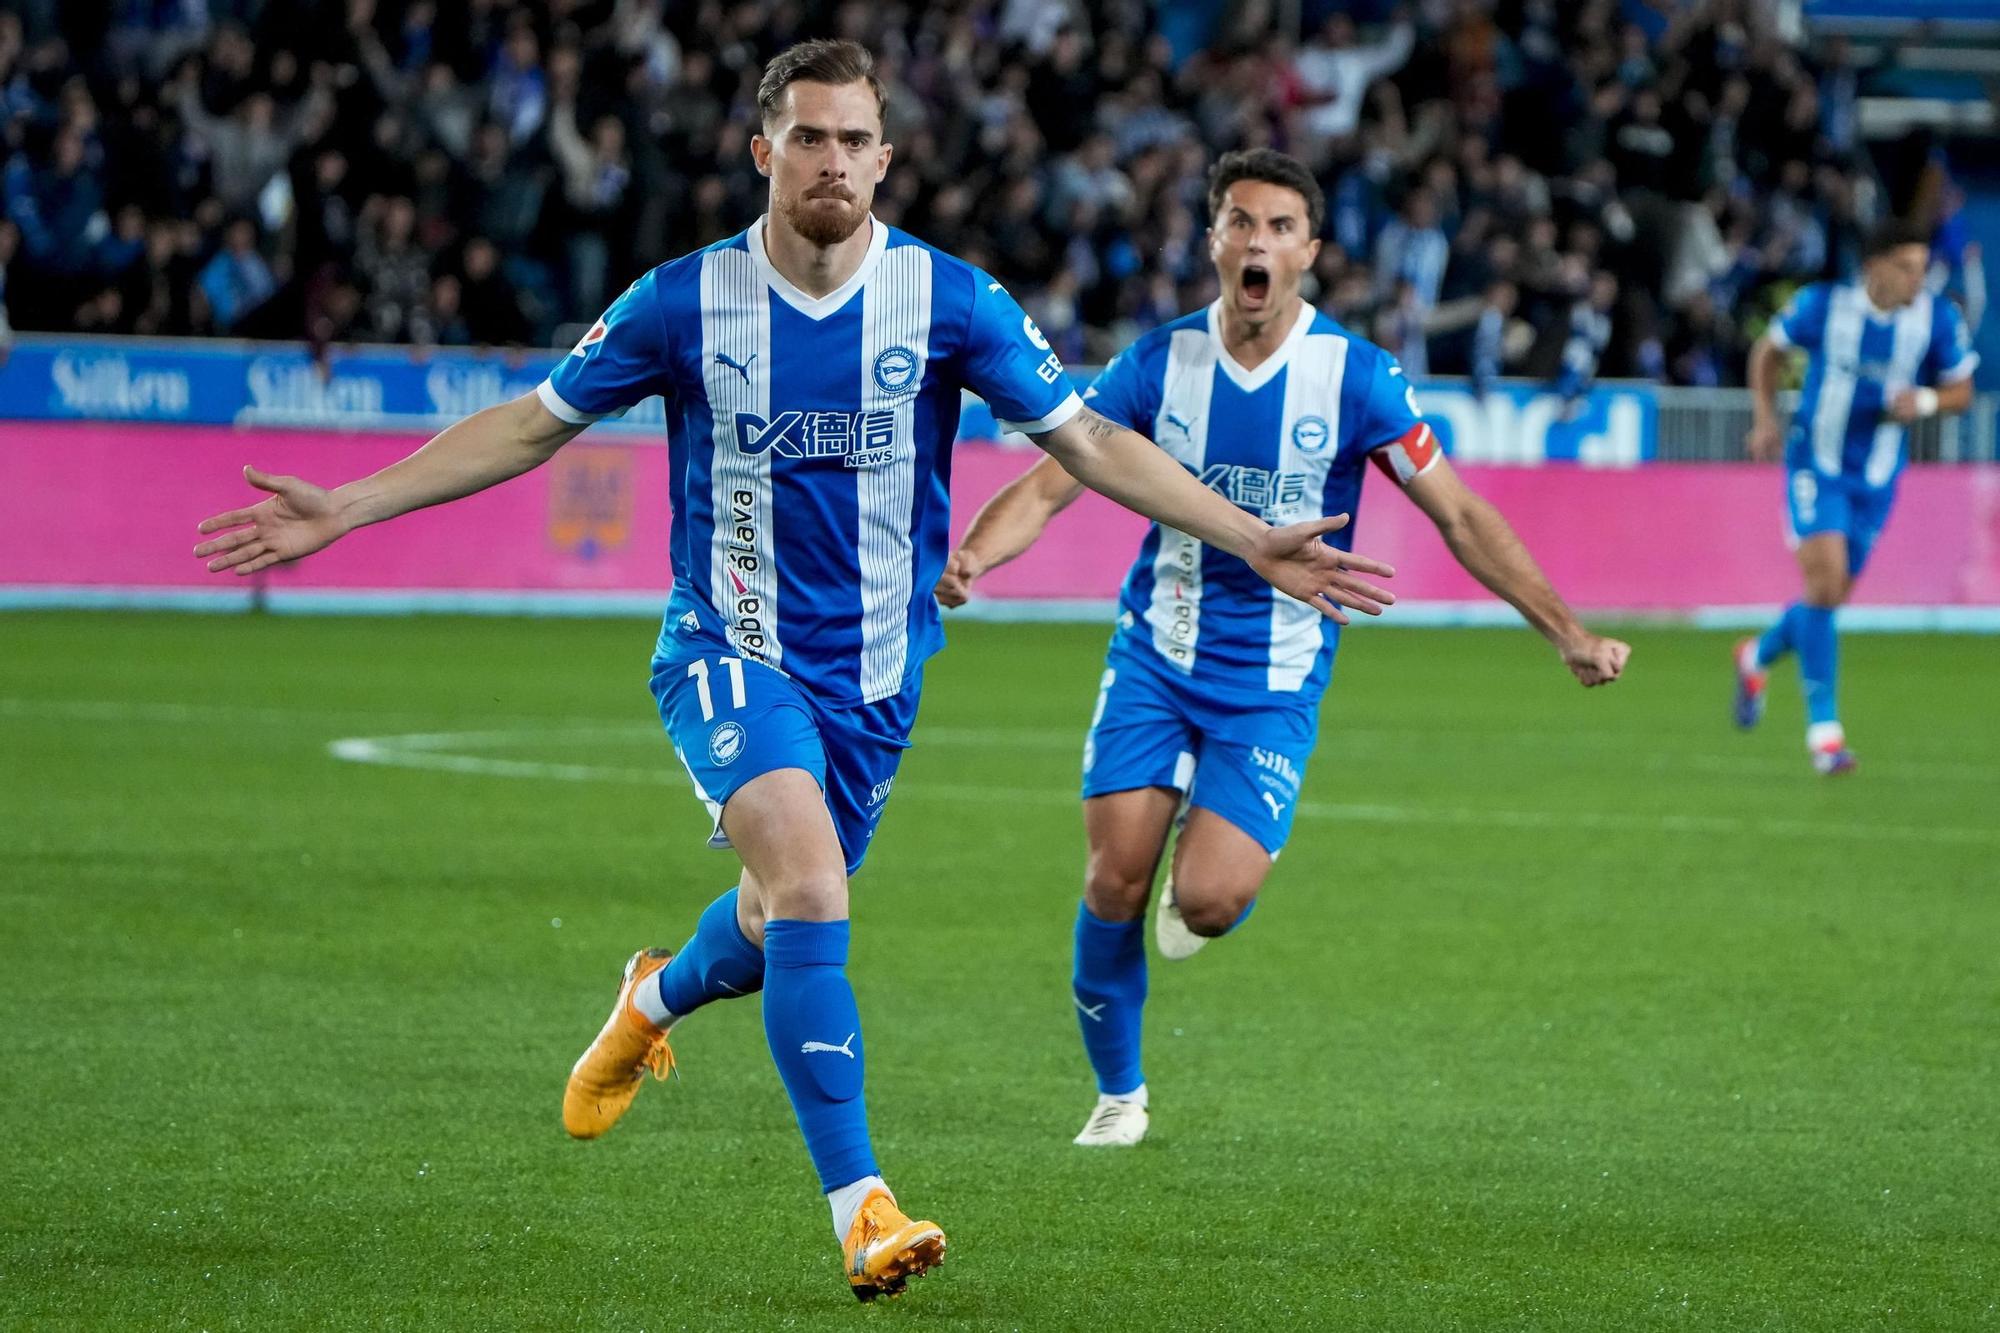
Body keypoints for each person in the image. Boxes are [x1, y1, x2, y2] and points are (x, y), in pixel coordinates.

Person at [191, 43, 1397, 1301]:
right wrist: (350, 505)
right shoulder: (680, 301)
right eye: (807, 137)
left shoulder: (947, 302)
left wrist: (1251, 534)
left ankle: (652, 997)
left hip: (875, 679)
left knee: (777, 922)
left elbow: (1089, 441)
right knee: (814, 888)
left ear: (886, 157)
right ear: (762, 149)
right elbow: (531, 423)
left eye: (853, 140)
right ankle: (860, 1207)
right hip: (727, 649)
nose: (831, 160)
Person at [935, 148, 1631, 1149]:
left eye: (1276, 227)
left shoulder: (1354, 377)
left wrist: (1564, 630)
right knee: (1110, 884)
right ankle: (1118, 1094)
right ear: (1213, 241)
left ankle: (1204, 879)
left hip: (1271, 680)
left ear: (1308, 250)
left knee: (1208, 902)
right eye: (1237, 222)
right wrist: (972, 556)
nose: (1254, 241)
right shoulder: (1157, 362)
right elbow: (1053, 478)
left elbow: (1461, 517)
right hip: (1154, 655)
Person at [1736, 218, 1979, 774]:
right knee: (1822, 585)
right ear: (1875, 266)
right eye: (1908, 268)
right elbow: (1767, 353)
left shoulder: (1936, 319)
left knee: (1830, 597)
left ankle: (1756, 656)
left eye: (1923, 269)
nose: (1919, 280)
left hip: (1876, 479)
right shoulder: (1824, 306)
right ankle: (1825, 733)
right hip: (1814, 465)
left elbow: (1961, 389)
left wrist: (1922, 403)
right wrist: (1764, 420)